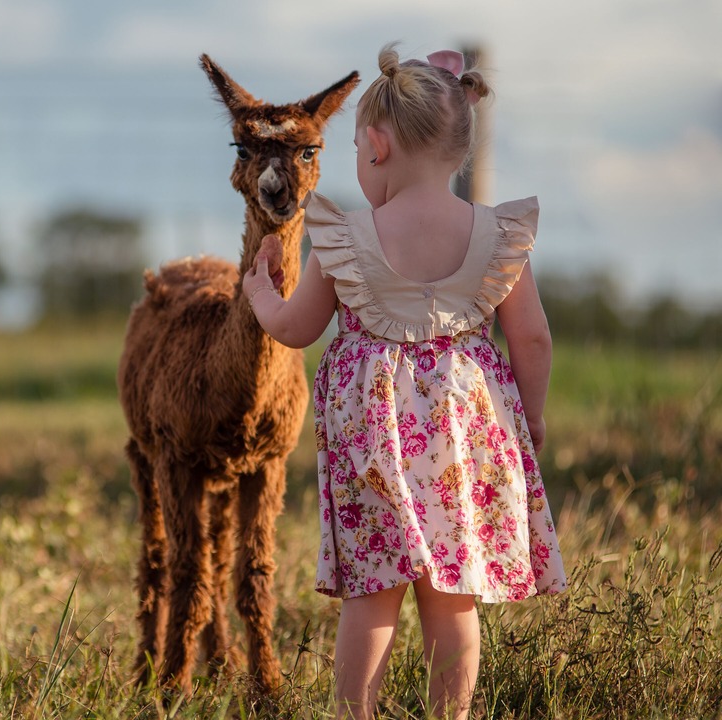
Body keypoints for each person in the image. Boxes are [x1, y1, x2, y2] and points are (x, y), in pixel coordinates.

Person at [242, 44, 567, 719]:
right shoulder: (498, 235)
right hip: (468, 441)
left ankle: (354, 715)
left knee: (372, 597)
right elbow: (532, 337)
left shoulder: (347, 238)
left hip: (375, 447)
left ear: (378, 146)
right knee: (454, 602)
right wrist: (529, 417)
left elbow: (298, 328)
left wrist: (260, 296)